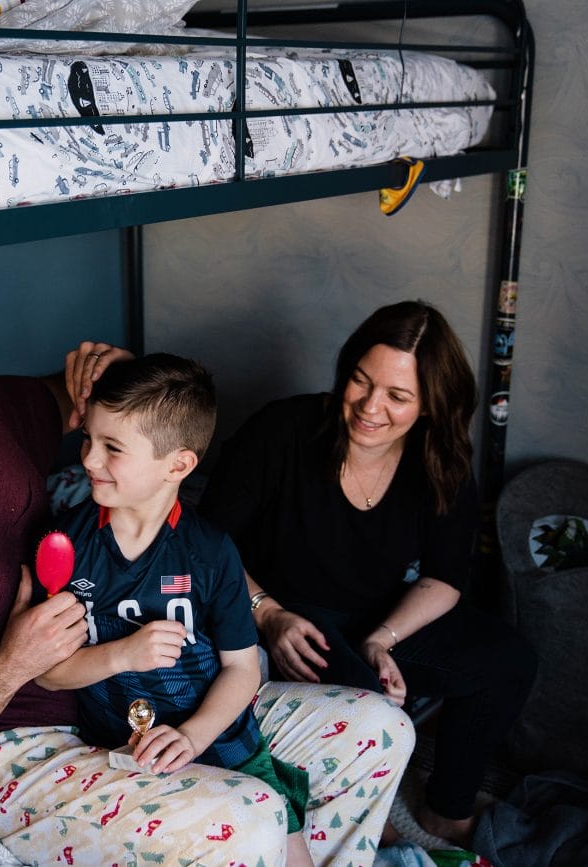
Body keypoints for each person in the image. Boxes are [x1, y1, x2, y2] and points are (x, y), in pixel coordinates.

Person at [0, 330, 415, 866]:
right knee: (251, 817)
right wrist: (12, 665)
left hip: (134, 705)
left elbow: (105, 403)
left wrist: (103, 363)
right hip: (12, 750)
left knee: (381, 729)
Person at [200, 300, 538, 847]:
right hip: (284, 611)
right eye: (360, 382)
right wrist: (267, 614)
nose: (370, 407)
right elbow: (205, 543)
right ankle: (334, 834)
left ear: (430, 405)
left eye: (397, 396)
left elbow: (445, 577)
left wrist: (385, 637)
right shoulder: (283, 429)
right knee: (372, 710)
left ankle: (444, 812)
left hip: (376, 614)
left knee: (508, 660)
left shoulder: (439, 459)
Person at [35, 354, 313, 867]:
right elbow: (48, 673)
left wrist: (192, 735)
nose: (89, 460)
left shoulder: (210, 552)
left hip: (219, 738)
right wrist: (122, 654)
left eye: (112, 448)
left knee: (289, 852)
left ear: (178, 465)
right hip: (117, 751)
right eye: (88, 440)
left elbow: (242, 669)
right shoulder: (67, 543)